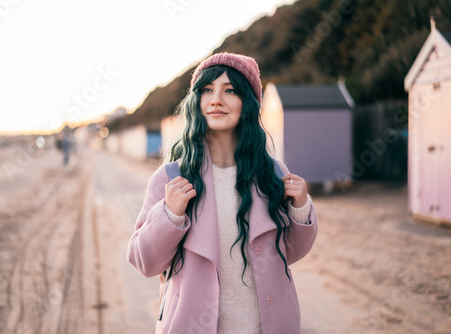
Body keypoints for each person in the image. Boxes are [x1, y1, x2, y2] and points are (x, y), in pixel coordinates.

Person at [127, 53, 318, 334]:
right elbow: (144, 261)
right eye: (207, 90)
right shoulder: (171, 178)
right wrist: (170, 215)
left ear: (248, 103)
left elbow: (290, 252)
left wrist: (300, 208)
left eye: (230, 90)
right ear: (197, 101)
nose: (216, 99)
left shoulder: (272, 173)